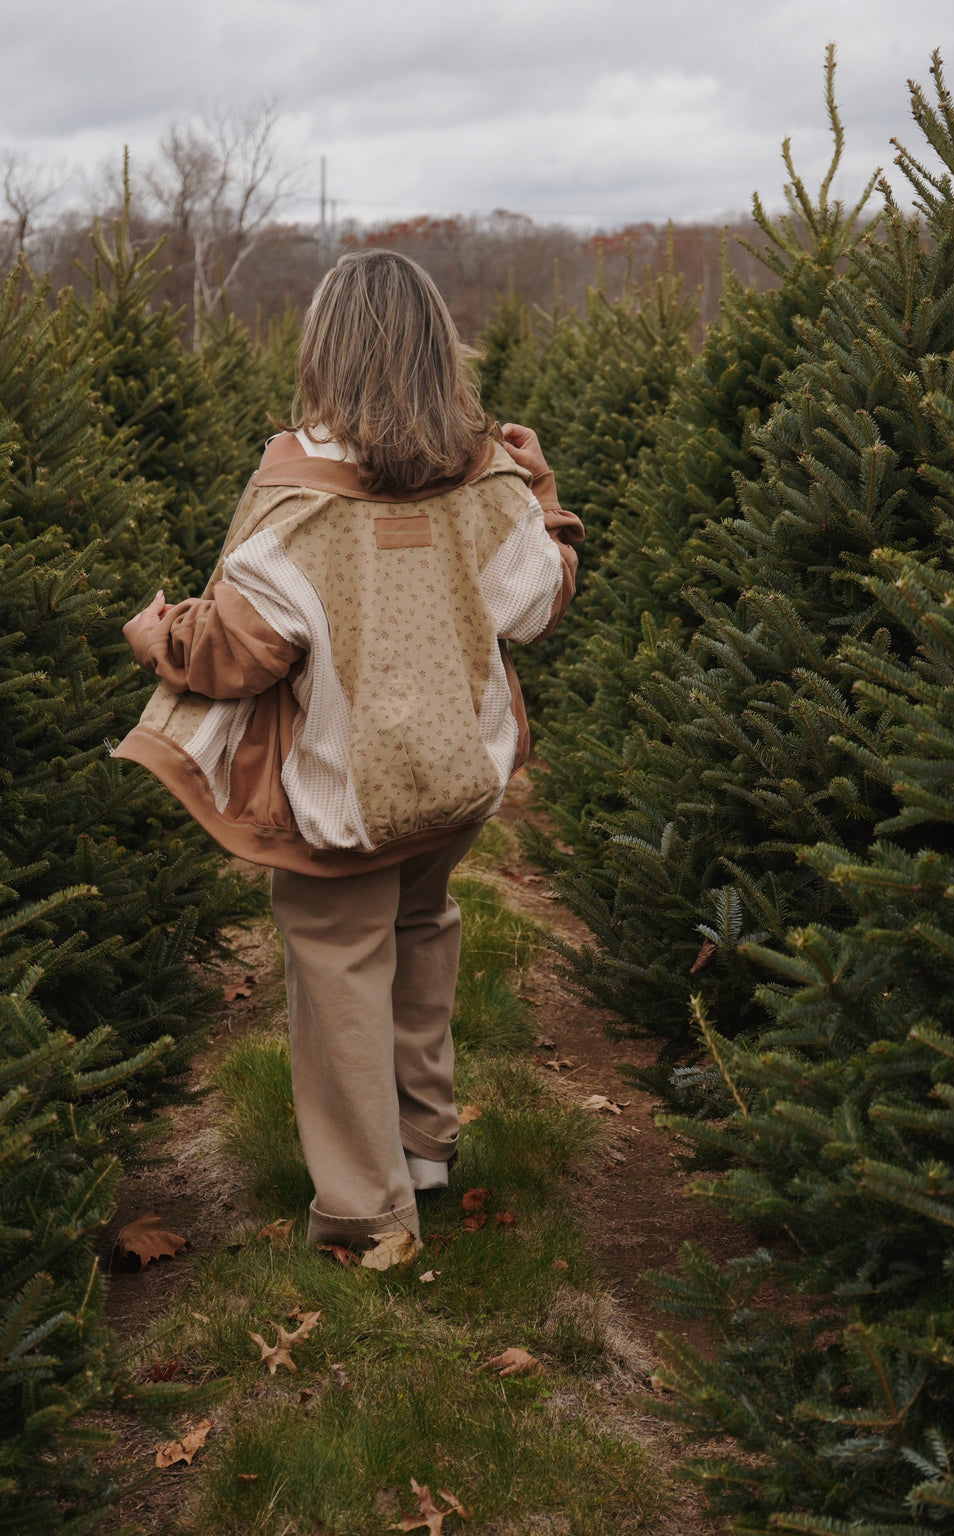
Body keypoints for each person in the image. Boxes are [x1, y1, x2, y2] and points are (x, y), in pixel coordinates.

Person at [116, 250, 584, 1251]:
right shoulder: (485, 477)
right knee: (420, 934)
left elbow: (238, 651)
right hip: (456, 782)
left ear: (324, 350)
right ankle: (420, 1152)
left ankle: (367, 1221)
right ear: (435, 350)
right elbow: (536, 604)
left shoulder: (301, 494)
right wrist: (538, 489)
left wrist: (156, 633)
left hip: (347, 797)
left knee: (340, 975)